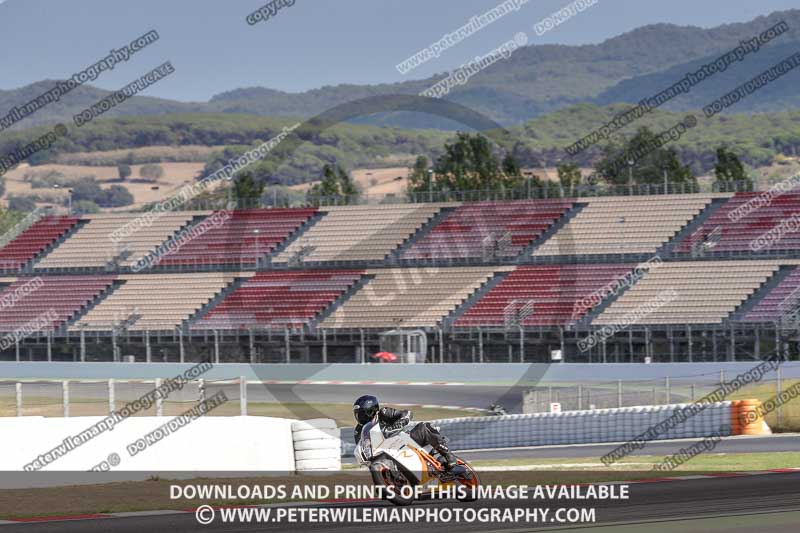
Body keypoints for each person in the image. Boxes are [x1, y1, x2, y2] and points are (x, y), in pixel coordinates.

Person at [353, 394, 457, 469]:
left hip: (404, 441)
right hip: (383, 453)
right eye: (357, 414)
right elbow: (362, 446)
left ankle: (448, 455)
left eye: (362, 413)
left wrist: (399, 423)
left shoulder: (383, 413)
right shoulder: (358, 431)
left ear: (371, 411)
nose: (359, 417)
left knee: (424, 427)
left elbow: (407, 414)